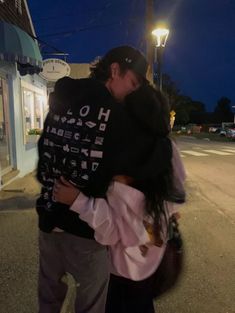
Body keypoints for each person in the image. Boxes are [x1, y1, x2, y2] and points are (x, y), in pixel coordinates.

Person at [53, 85, 186, 313]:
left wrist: (77, 200)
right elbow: (177, 196)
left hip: (121, 269)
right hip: (152, 261)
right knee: (142, 303)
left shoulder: (121, 178)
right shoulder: (168, 153)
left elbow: (113, 232)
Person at [36, 45, 149, 313]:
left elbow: (44, 153)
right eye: (132, 82)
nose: (132, 91)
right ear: (114, 71)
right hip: (86, 231)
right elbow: (120, 178)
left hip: (49, 220)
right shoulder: (117, 117)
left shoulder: (61, 99)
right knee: (91, 305)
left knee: (48, 301)